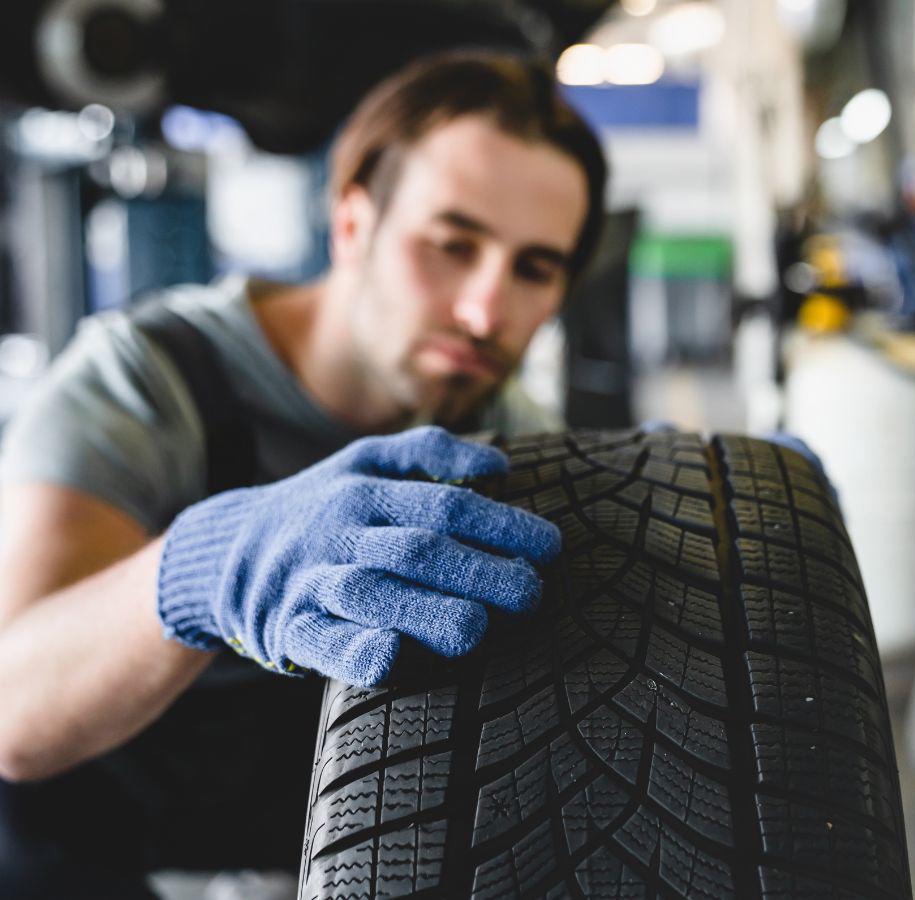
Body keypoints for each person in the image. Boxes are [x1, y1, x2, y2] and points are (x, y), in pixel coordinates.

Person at [0, 51, 607, 895]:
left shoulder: (509, 437)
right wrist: (203, 571)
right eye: (452, 244)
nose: (484, 311)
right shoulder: (146, 380)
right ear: (353, 222)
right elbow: (11, 707)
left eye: (534, 268)